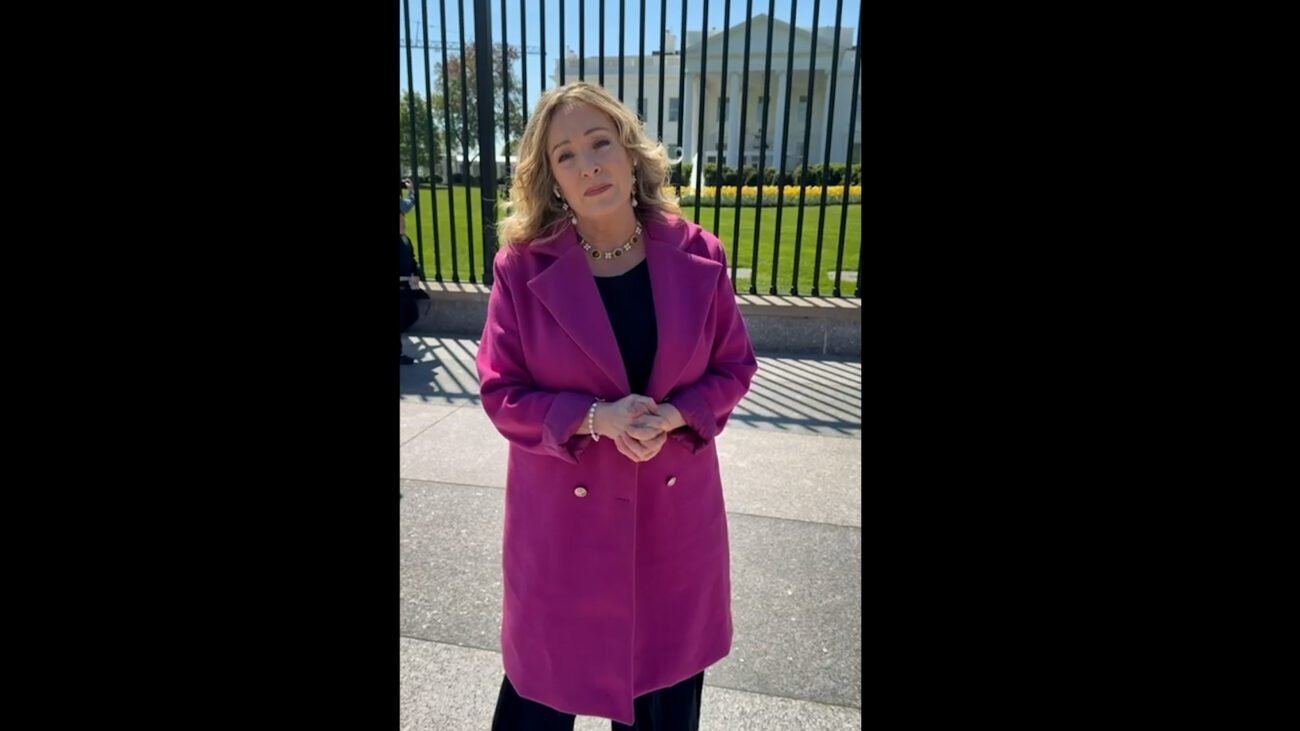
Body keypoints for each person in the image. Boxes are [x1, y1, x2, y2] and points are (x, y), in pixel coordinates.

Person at [476, 81, 757, 730]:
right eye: (565, 155)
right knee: (542, 696)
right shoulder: (521, 268)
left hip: (672, 529)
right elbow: (501, 391)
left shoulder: (699, 254)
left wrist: (677, 414)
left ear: (631, 153)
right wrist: (594, 418)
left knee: (662, 697)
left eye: (600, 142)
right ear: (551, 178)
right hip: (564, 533)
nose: (589, 165)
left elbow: (733, 366)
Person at [399, 177, 427, 365]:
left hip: (406, 286)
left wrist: (416, 286)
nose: (403, 222)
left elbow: (412, 263)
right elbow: (407, 205)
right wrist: (412, 191)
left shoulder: (405, 240)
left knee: (411, 315)